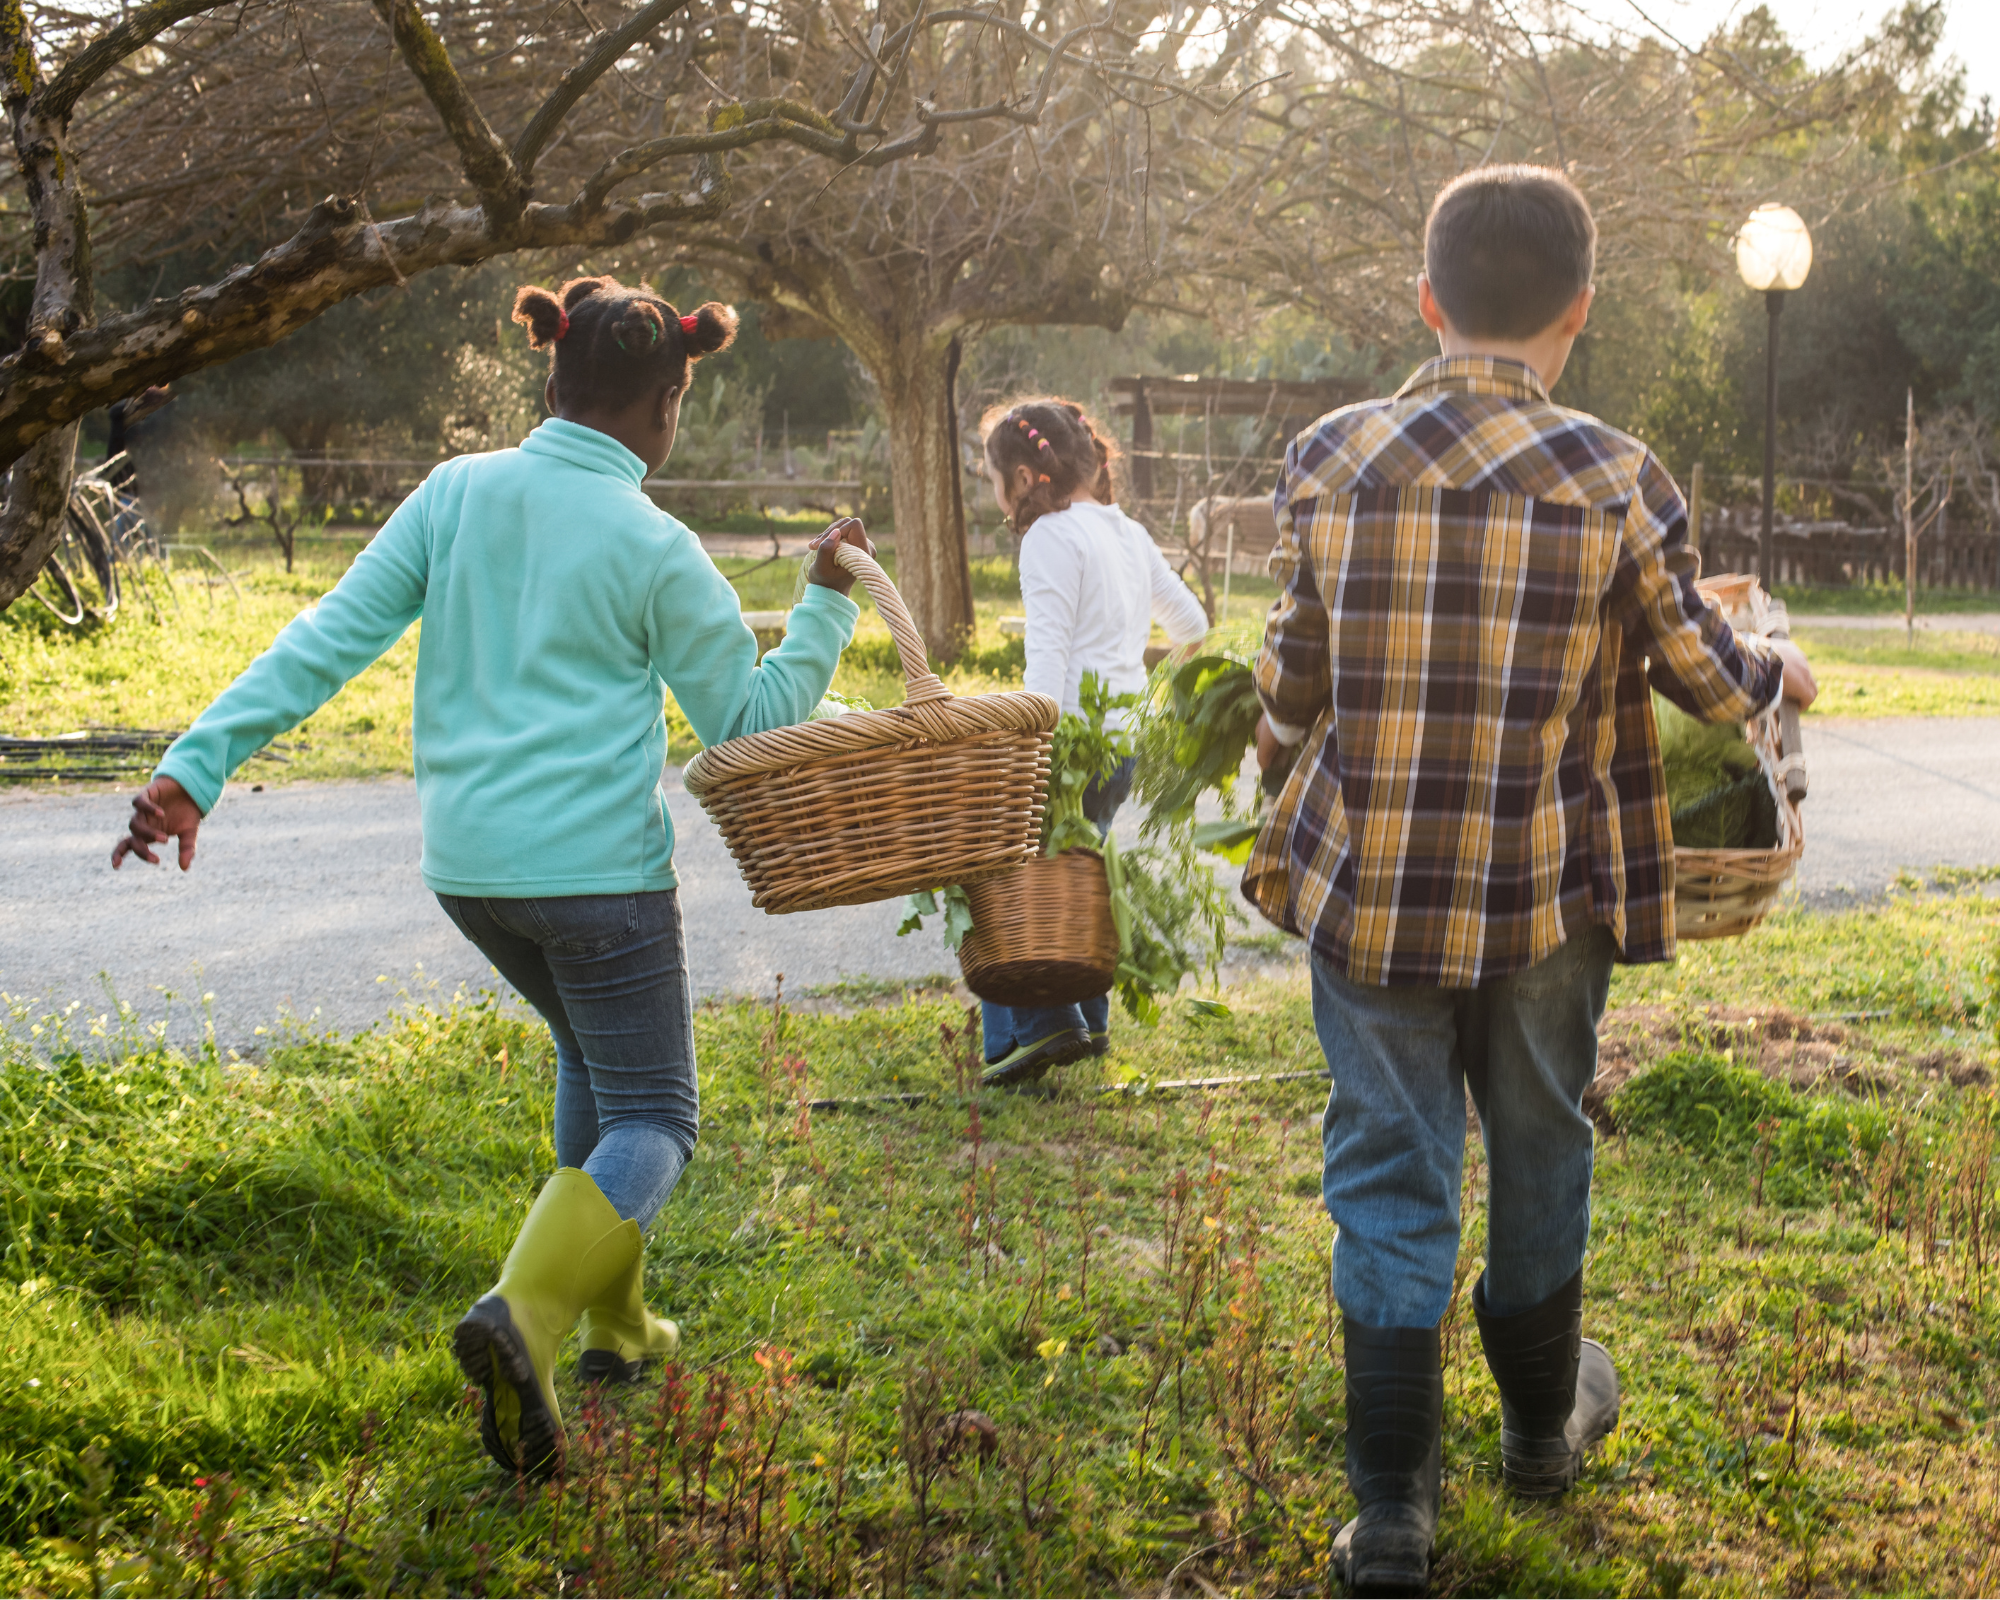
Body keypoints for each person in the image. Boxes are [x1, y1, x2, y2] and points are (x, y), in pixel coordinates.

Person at [110, 275, 873, 1479]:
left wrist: (195, 769)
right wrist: (821, 607)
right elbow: (746, 720)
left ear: (552, 376)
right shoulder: (655, 545)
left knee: (592, 1068)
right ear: (668, 402)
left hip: (471, 876)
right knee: (658, 1118)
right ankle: (524, 1307)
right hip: (600, 883)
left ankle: (614, 1330)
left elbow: (324, 638)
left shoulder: (455, 493)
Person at [1243, 167, 1818, 1596]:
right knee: (1543, 1137)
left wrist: (1269, 729)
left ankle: (1391, 1510)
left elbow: (1293, 678)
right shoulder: (1619, 476)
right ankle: (1541, 1433)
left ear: (1428, 301)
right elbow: (1703, 674)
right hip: (1552, 893)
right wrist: (1780, 671)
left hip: (1373, 887)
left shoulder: (1330, 455)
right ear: (1581, 313)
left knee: (1387, 1164)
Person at [977, 397, 1208, 1086]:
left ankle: (1038, 1028)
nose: (994, 496)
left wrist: (1027, 743)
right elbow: (1191, 622)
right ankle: (1092, 1020)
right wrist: (1146, 696)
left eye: (991, 481)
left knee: (1005, 874)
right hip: (1120, 743)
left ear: (1023, 477)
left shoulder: (1049, 537)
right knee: (1084, 872)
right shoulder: (1126, 532)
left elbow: (1045, 662)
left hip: (1066, 740)